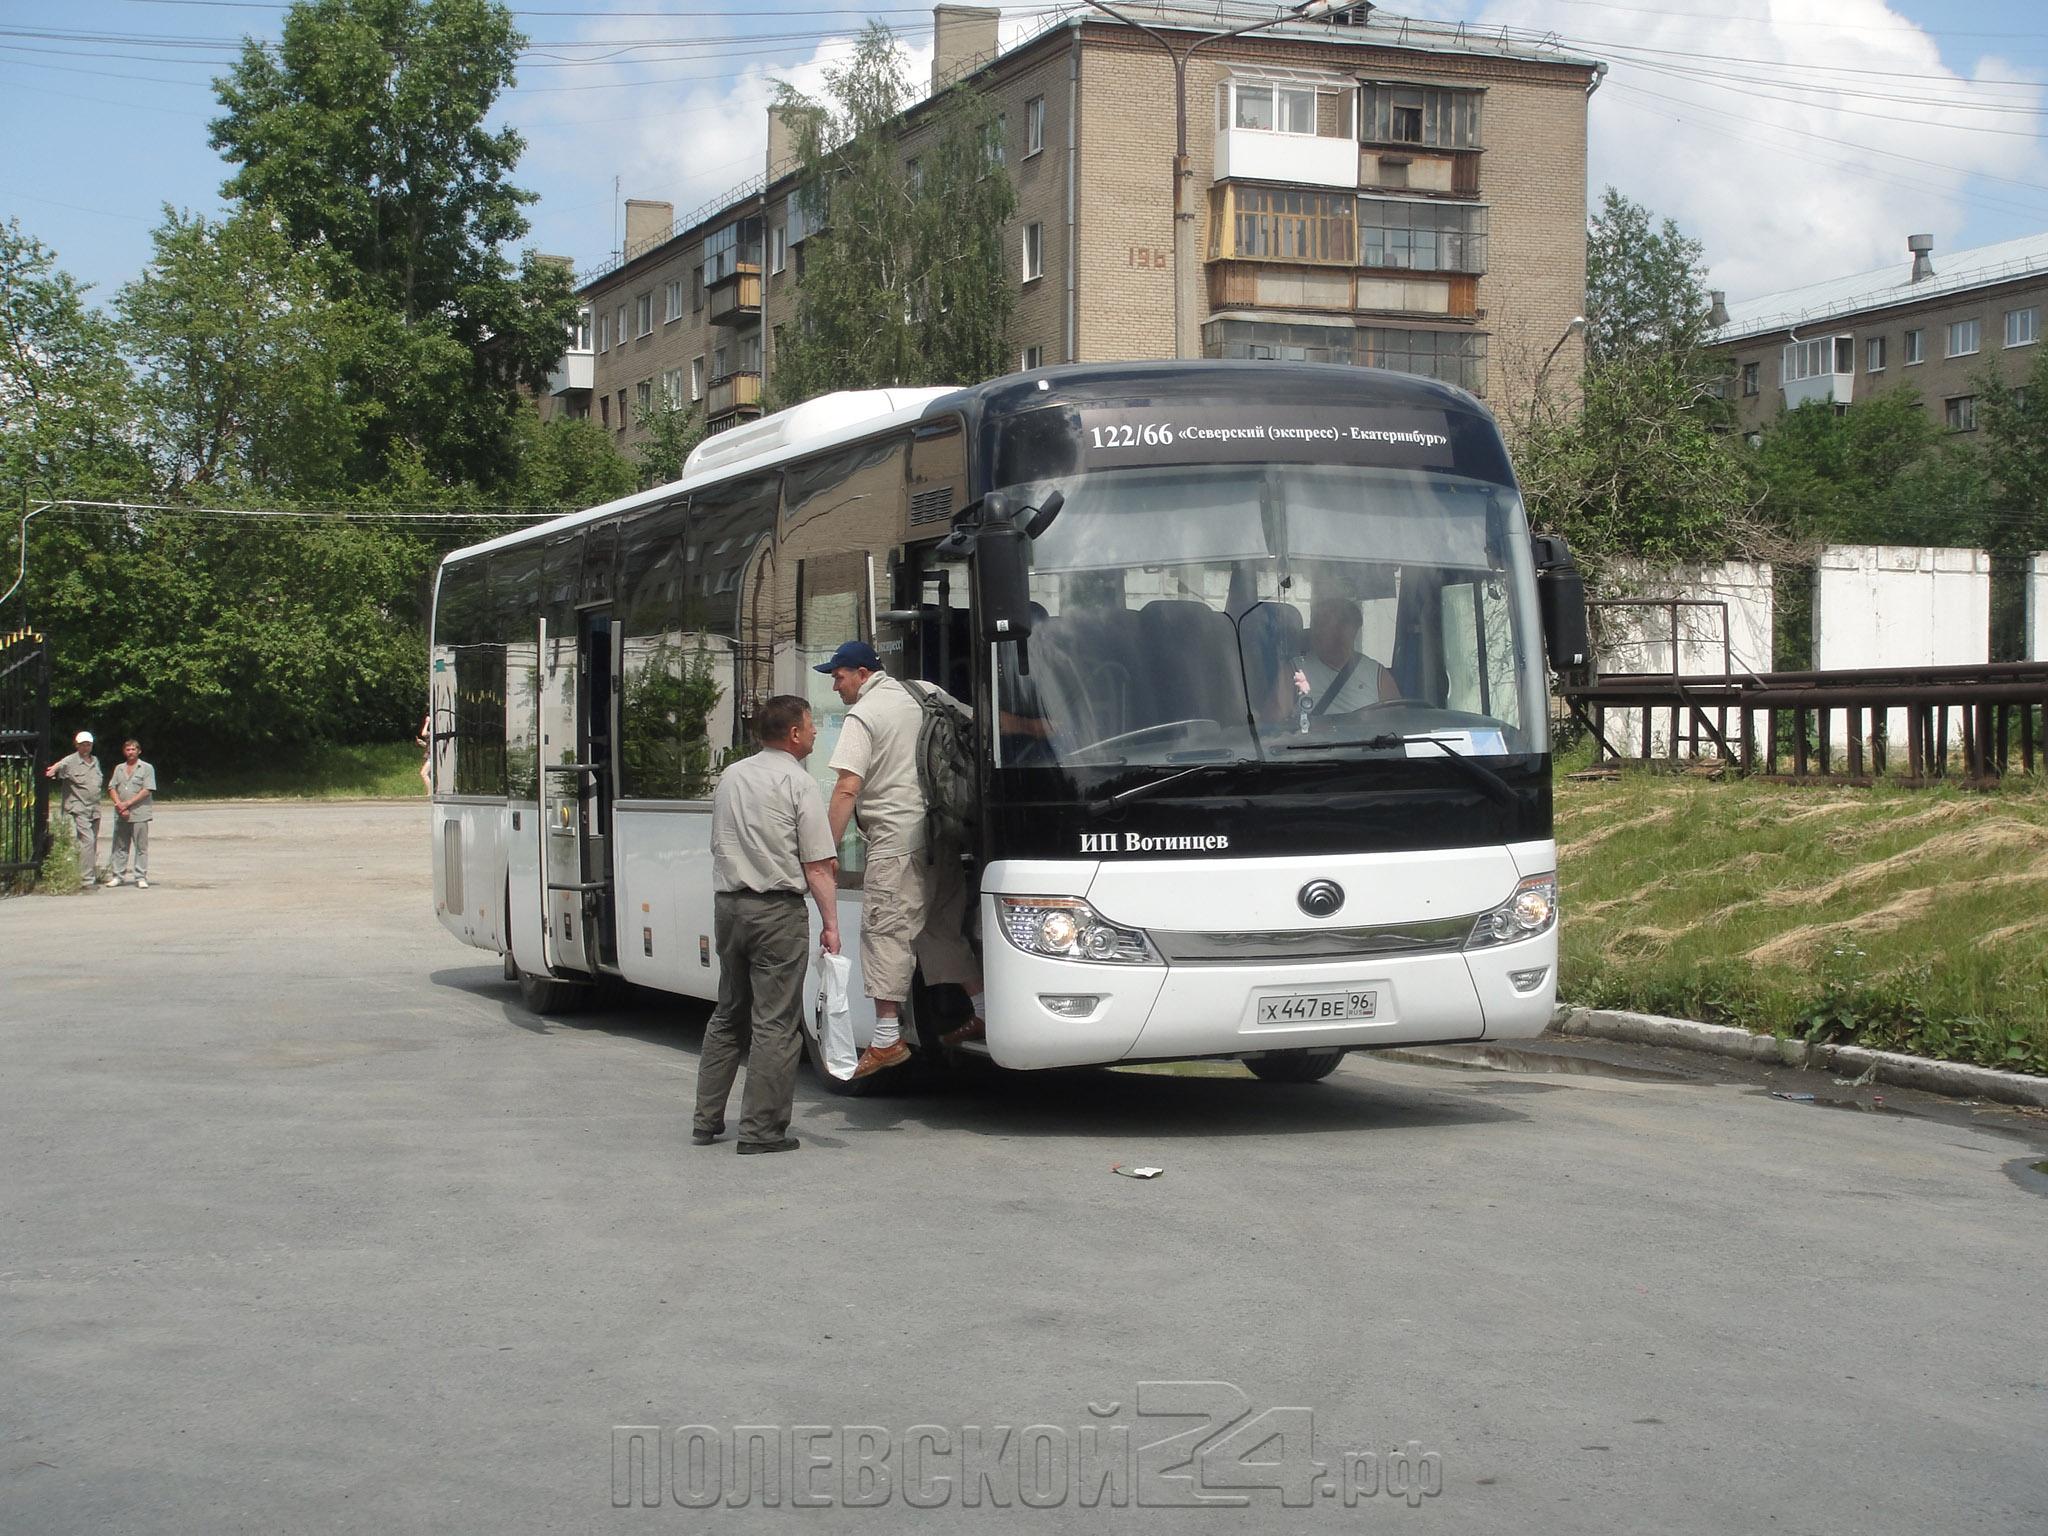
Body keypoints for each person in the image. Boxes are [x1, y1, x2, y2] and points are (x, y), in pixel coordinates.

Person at [818, 641, 984, 1078]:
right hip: (942, 836)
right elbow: (978, 721)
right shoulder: (922, 691)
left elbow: (847, 788)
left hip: (896, 842)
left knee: (885, 931)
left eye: (838, 676)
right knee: (939, 928)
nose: (835, 687)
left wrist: (824, 849)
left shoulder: (863, 716)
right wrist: (1038, 727)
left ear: (861, 672)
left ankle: (887, 1039)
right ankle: (983, 1009)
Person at [692, 695, 840, 1156]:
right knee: (775, 1022)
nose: (815, 733)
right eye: (811, 725)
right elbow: (818, 865)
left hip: (729, 907)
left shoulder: (731, 775)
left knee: (728, 1012)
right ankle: (762, 1130)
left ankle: (706, 1119)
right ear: (794, 734)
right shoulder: (799, 783)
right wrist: (830, 924)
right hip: (776, 911)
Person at [1293, 595, 1399, 720]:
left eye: (1342, 624)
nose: (1317, 631)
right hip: (1312, 739)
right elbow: (1273, 727)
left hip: (1368, 739)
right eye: (1318, 623)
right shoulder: (1294, 671)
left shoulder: (1377, 674)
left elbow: (1398, 722)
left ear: (1354, 630)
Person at [44, 731, 104, 888]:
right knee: (88, 840)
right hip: (79, 806)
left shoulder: (95, 760)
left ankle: (87, 871)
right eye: (83, 744)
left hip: (94, 807)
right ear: (76, 745)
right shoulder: (71, 760)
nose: (86, 747)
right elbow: (60, 765)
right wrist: (52, 770)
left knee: (91, 842)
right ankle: (87, 879)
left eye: (88, 744)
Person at [106, 739, 157, 888]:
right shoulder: (119, 768)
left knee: (141, 847)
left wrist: (128, 804)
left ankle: (140, 876)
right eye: (128, 749)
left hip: (139, 813)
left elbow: (147, 790)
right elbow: (111, 787)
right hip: (121, 813)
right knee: (120, 846)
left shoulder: (146, 768)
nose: (130, 752)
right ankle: (117, 876)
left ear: (139, 751)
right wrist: (119, 805)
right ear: (124, 751)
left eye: (133, 749)